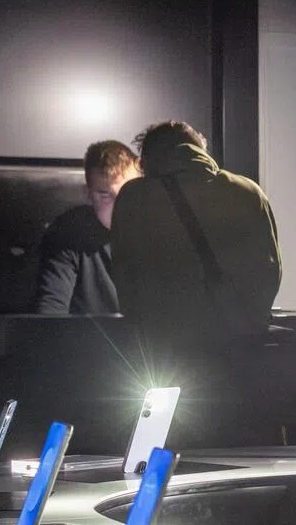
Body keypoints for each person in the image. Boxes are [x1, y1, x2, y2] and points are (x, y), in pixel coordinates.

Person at [109, 120, 282, 351]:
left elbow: (126, 276)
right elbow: (270, 270)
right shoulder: (247, 191)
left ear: (146, 161)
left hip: (166, 347)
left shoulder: (135, 197)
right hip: (238, 342)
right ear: (200, 151)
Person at [34, 140, 140, 314]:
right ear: (88, 194)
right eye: (105, 195)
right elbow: (50, 313)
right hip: (87, 340)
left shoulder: (159, 230)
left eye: (126, 194)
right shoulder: (68, 233)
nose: (118, 206)